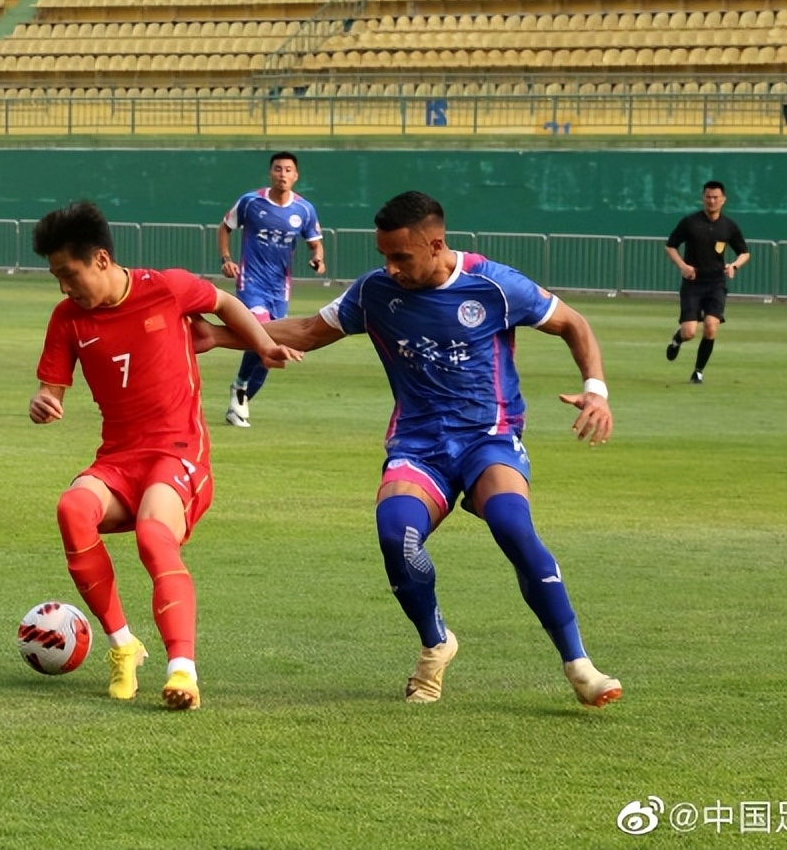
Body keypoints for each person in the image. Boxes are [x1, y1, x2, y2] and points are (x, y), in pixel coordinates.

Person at [193, 191, 622, 708]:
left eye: (401, 257)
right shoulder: (374, 292)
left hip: (489, 438)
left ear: (436, 244)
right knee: (397, 534)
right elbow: (307, 330)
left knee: (512, 524)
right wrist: (220, 336)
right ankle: (436, 642)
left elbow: (572, 323)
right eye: (384, 257)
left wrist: (595, 390)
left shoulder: (493, 285)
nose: (390, 268)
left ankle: (579, 664)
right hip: (419, 445)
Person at [28, 201, 302, 710]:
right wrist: (43, 404)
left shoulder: (167, 288)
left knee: (155, 534)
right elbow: (51, 393)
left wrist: (262, 344)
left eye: (69, 274)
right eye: (56, 277)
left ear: (102, 260)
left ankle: (183, 670)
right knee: (72, 509)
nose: (64, 287)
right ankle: (122, 645)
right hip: (118, 459)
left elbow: (224, 301)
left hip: (179, 452)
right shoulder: (67, 318)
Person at [216, 151, 324, 428]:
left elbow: (315, 242)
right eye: (278, 169)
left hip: (280, 289)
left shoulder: (304, 210)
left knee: (274, 349)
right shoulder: (251, 201)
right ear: (271, 173)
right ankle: (240, 387)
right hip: (251, 283)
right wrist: (227, 260)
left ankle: (240, 397)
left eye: (288, 170)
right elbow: (225, 227)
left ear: (296, 176)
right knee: (263, 333)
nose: (283, 174)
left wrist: (317, 259)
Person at [663, 180, 749, 384]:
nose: (712, 201)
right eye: (708, 197)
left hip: (716, 283)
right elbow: (670, 246)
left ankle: (698, 371)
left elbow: (744, 253)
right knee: (690, 332)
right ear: (703, 198)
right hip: (693, 283)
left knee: (711, 327)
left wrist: (734, 265)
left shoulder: (729, 226)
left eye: (716, 197)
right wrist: (683, 266)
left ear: (723, 200)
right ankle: (678, 338)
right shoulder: (690, 222)